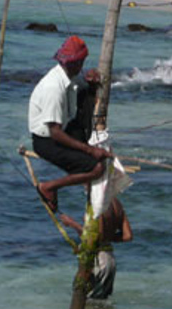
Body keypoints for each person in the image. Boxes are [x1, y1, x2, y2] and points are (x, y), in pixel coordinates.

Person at [28, 36, 112, 211]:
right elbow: (55, 132)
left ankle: (87, 149)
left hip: (65, 128)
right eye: (79, 63)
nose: (80, 67)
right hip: (46, 141)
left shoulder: (70, 76)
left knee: (89, 93)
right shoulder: (53, 88)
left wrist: (92, 78)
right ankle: (49, 186)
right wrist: (90, 150)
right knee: (98, 169)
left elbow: (85, 87)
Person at [59, 198, 133, 299]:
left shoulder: (97, 202)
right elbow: (127, 235)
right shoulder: (116, 203)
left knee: (84, 303)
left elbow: (95, 238)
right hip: (109, 260)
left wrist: (72, 224)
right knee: (101, 305)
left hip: (96, 259)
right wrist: (107, 238)